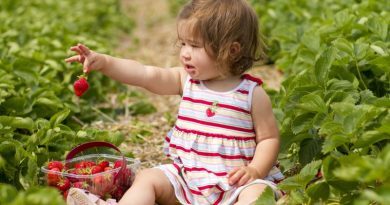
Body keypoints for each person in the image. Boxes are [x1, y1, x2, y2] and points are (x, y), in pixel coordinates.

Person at [65, 0, 284, 204]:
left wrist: (255, 170)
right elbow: (144, 74)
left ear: (231, 51)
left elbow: (269, 138)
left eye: (195, 46)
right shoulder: (185, 80)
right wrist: (104, 62)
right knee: (148, 178)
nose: (185, 54)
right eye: (183, 44)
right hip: (187, 179)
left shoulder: (251, 94)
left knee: (256, 194)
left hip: (236, 184)